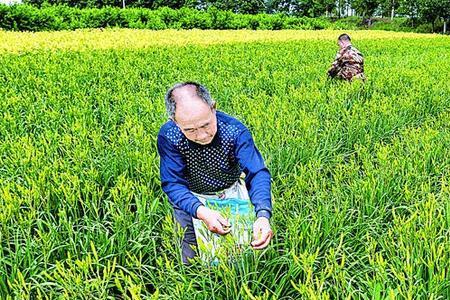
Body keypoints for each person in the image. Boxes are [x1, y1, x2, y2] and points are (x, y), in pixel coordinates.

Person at [157, 82, 273, 264]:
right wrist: (201, 211)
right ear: (174, 121)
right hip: (190, 195)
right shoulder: (169, 136)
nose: (202, 135)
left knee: (241, 246)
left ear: (213, 108)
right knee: (191, 247)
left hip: (229, 189)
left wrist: (263, 215)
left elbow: (257, 172)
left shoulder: (235, 131)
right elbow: (173, 183)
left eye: (206, 125)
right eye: (190, 130)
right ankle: (193, 283)